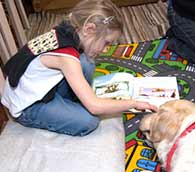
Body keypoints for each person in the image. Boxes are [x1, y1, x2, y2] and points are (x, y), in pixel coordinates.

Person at [1, 0, 157, 136]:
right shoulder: (66, 57)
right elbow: (94, 107)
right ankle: (69, 104)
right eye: (106, 43)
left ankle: (77, 99)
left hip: (38, 87)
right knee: (88, 121)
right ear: (89, 29)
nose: (105, 50)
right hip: (29, 106)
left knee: (86, 61)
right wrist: (133, 103)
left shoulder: (68, 28)